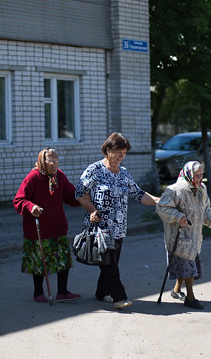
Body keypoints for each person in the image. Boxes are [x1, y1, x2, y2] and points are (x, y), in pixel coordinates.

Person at [75, 132, 160, 310]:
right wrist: (92, 209)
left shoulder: (124, 173)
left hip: (119, 226)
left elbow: (138, 194)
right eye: (118, 152)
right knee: (109, 263)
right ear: (107, 150)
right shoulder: (94, 170)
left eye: (124, 153)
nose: (121, 156)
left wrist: (160, 201)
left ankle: (101, 292)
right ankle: (119, 297)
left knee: (110, 263)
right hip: (100, 226)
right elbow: (80, 195)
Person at [155, 161, 211, 310]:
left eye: (201, 175)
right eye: (196, 175)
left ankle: (176, 290)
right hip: (178, 236)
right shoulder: (175, 190)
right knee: (188, 266)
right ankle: (190, 297)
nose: (200, 178)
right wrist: (177, 216)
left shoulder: (201, 189)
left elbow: (206, 210)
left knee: (186, 265)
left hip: (194, 236)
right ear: (188, 174)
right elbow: (161, 207)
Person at [13, 148, 82, 303]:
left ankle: (62, 292)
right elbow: (19, 200)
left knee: (63, 260)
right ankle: (38, 292)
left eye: (56, 158)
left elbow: (71, 196)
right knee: (39, 261)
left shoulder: (60, 177)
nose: (54, 162)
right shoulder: (33, 177)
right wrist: (31, 207)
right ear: (42, 161)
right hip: (38, 228)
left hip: (57, 226)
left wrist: (84, 197)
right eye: (50, 159)